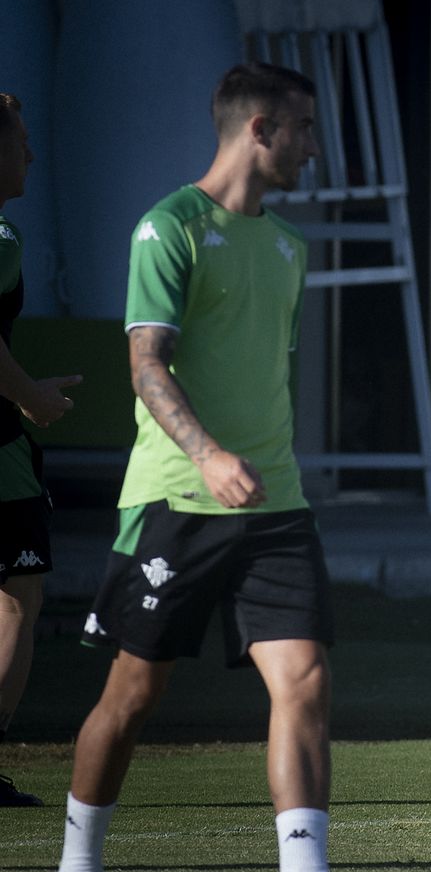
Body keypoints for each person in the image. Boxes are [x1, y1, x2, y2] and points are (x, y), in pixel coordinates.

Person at [58, 63, 333, 872]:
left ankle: (305, 866)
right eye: (304, 129)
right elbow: (146, 364)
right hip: (177, 499)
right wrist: (208, 455)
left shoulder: (288, 246)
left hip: (276, 504)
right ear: (260, 130)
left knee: (305, 680)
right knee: (134, 693)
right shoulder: (167, 227)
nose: (313, 148)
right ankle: (77, 862)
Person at [0, 93, 81, 808]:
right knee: (17, 602)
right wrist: (29, 397)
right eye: (19, 141)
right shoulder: (0, 237)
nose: (30, 153)